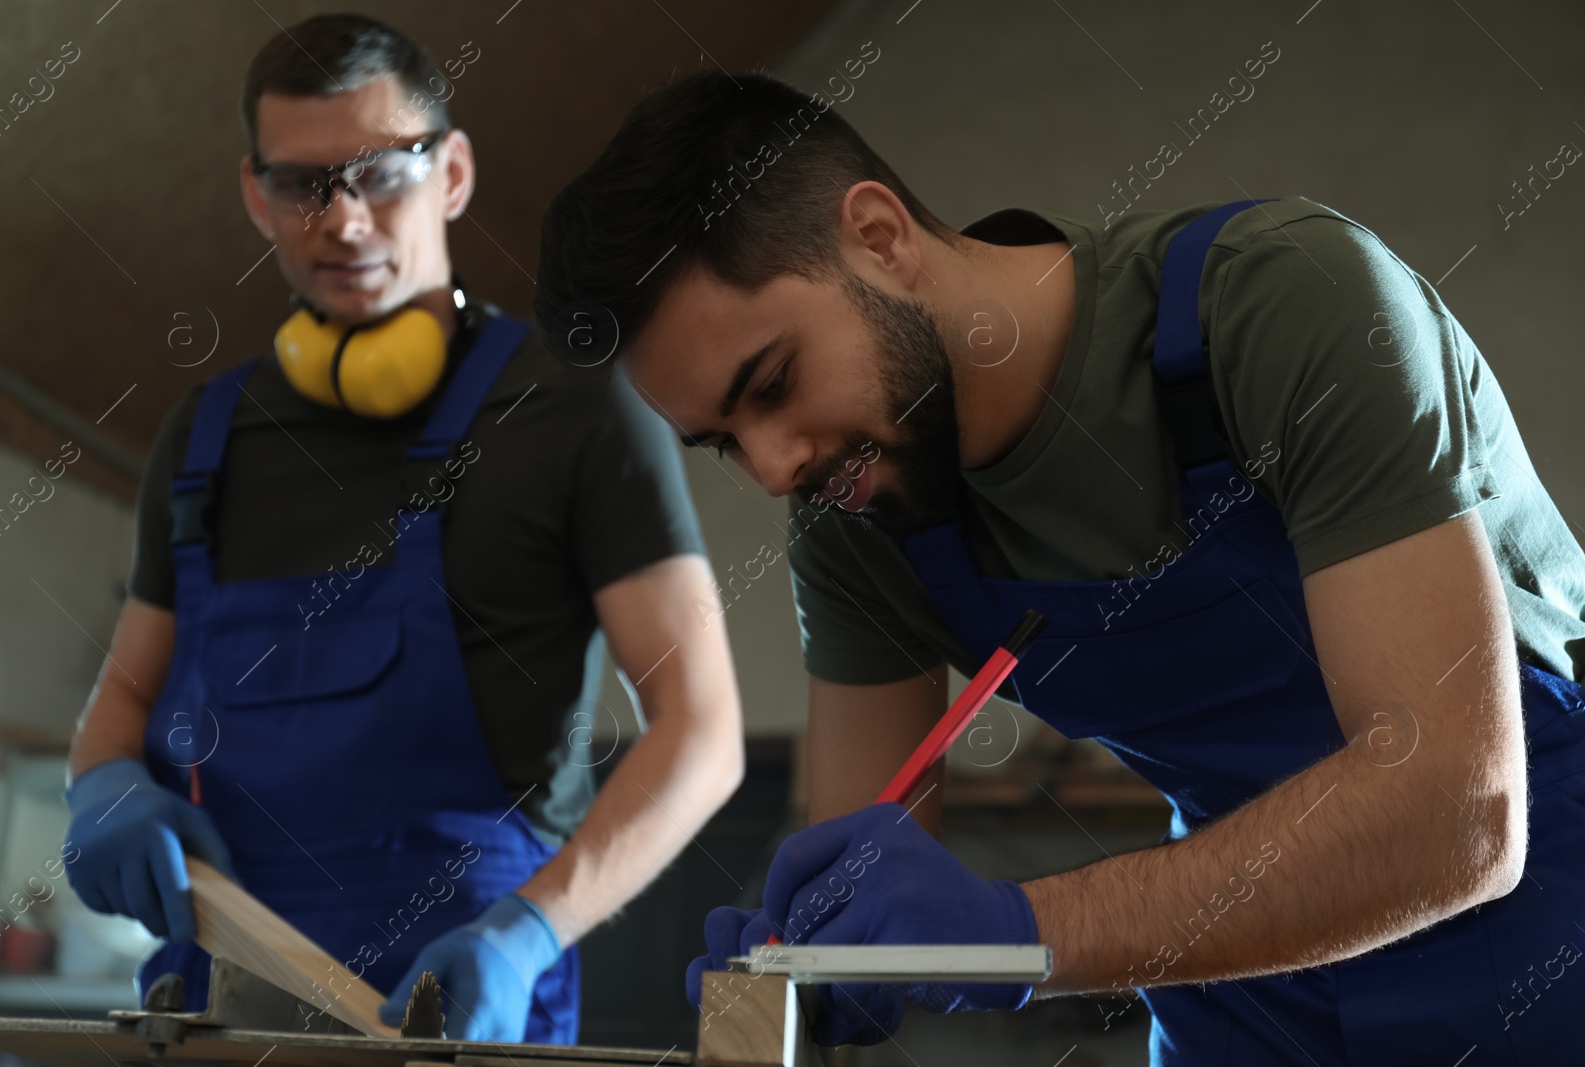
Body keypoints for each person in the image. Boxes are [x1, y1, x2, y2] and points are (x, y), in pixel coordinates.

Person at [530, 70, 1585, 1064]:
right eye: (720, 439)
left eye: (771, 382)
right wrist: (816, 959)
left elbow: (1454, 816)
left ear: (878, 235)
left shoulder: (1280, 307)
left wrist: (1012, 930)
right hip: (1243, 963)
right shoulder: (860, 518)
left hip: (1538, 916)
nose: (770, 468)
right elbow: (860, 853)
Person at [62, 16, 744, 1045]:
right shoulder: (200, 439)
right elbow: (122, 696)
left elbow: (703, 732)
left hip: (464, 1015)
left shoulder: (576, 409)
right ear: (257, 194)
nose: (342, 223)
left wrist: (526, 931)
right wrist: (105, 785)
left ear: (453, 171)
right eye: (302, 184)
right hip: (217, 1015)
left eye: (381, 172)